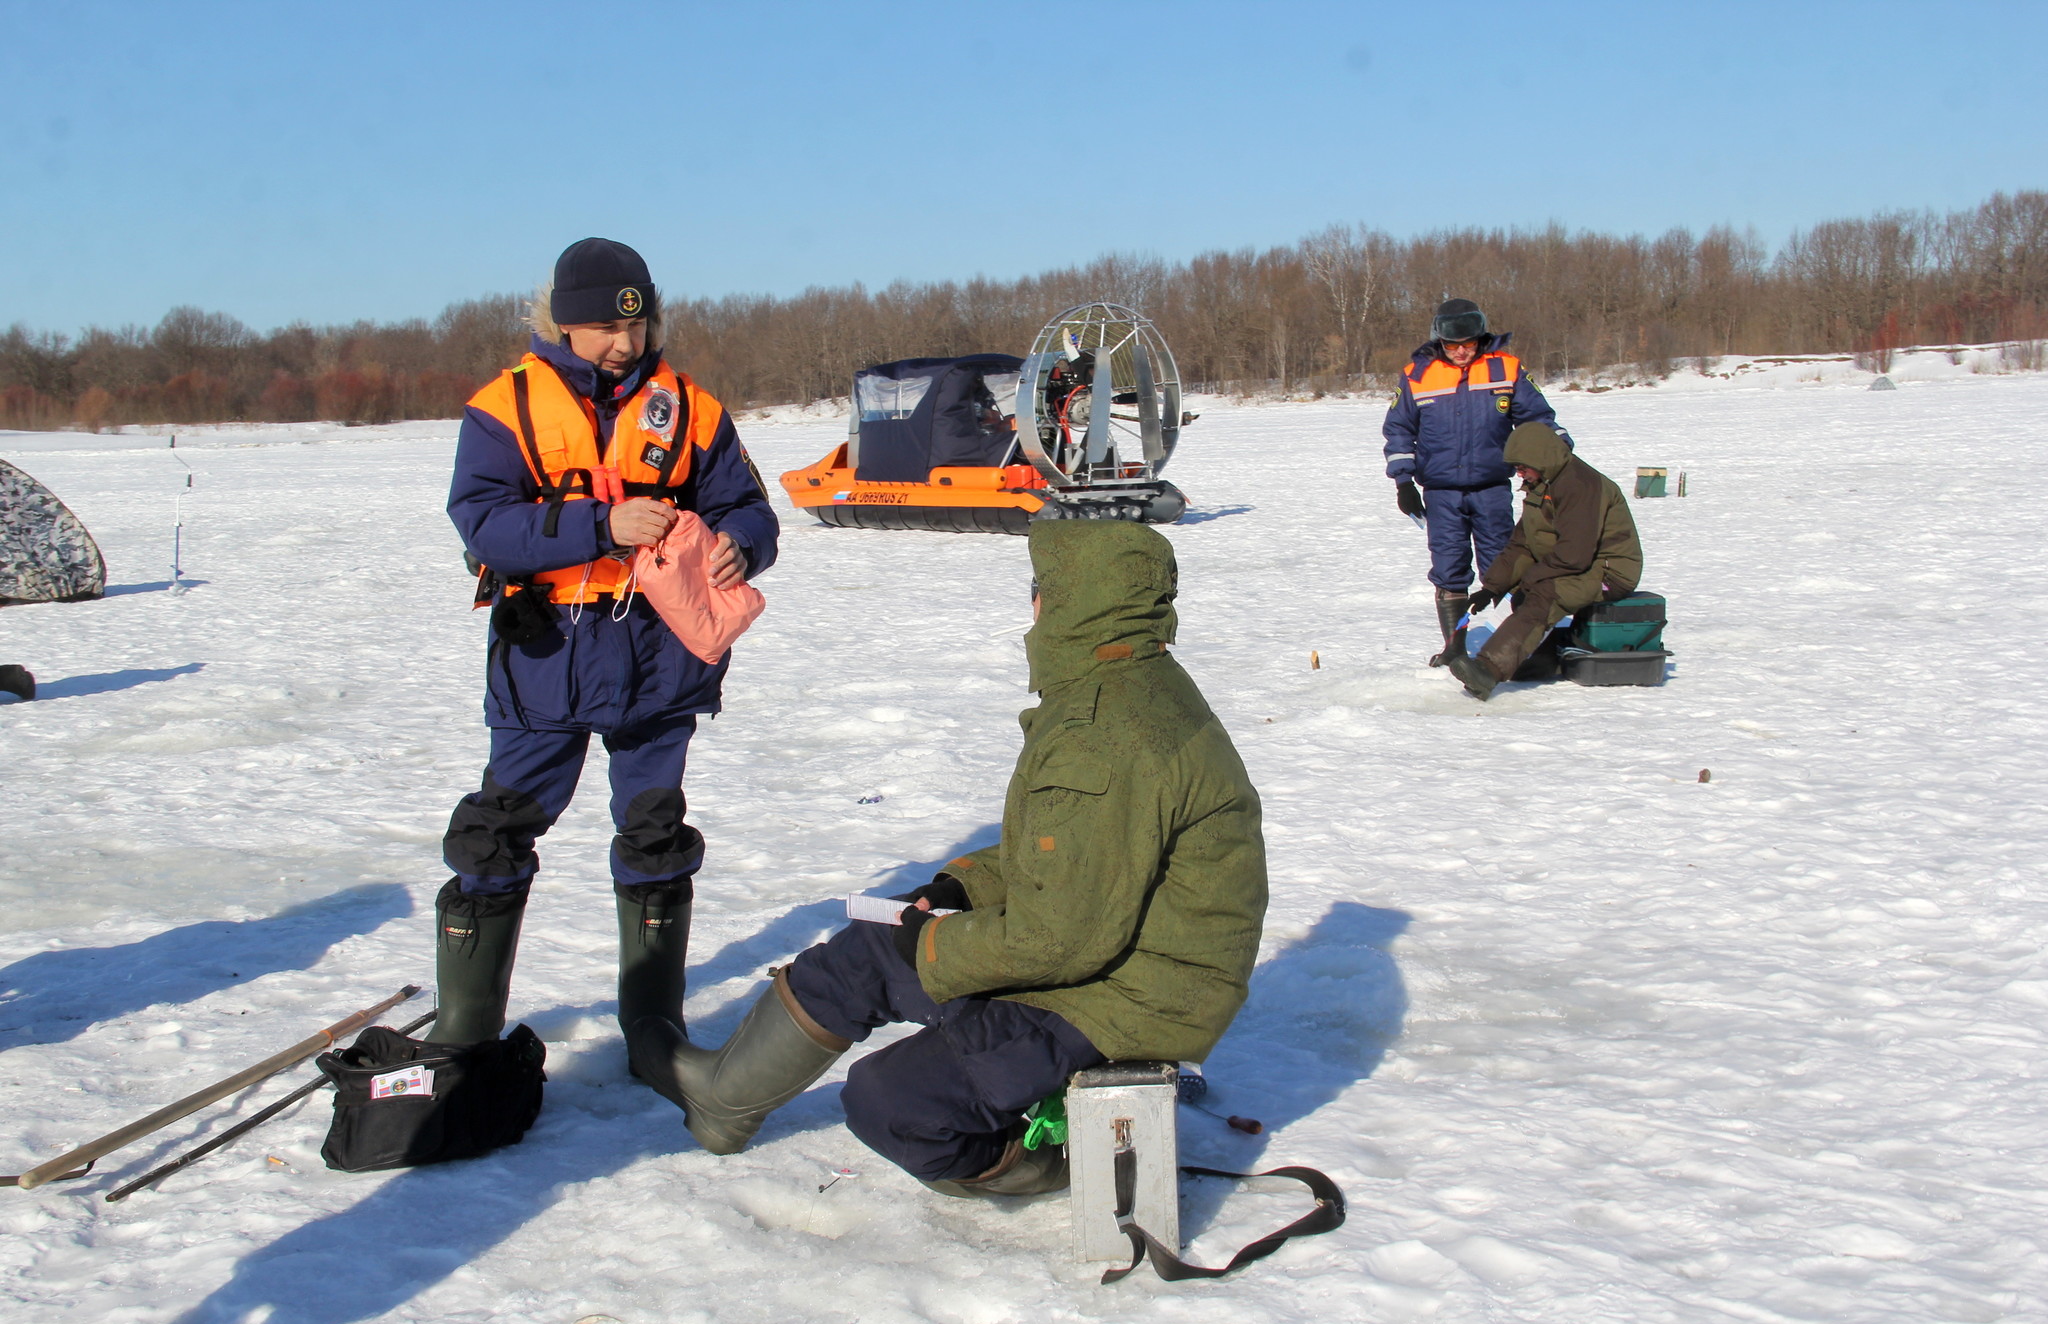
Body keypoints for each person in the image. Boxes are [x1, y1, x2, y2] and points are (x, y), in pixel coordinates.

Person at [629, 520, 1268, 1196]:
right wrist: (955, 888)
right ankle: (724, 1098)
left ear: (1073, 601)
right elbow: (1074, 853)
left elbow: (1058, 938)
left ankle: (1083, 1159)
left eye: (1040, 590)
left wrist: (935, 949)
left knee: (891, 1102)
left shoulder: (1105, 729)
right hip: (1118, 960)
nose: (1033, 607)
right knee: (875, 942)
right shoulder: (1130, 683)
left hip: (1128, 999)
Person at [432, 238, 779, 1049]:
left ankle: (653, 1025)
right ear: (562, 322)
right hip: (544, 654)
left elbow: (748, 505)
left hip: (659, 656)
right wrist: (599, 524)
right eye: (603, 328)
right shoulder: (503, 407)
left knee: (656, 831)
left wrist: (743, 543)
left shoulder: (689, 407)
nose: (625, 344)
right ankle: (466, 1031)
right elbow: (481, 522)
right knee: (497, 830)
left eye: (638, 324)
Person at [1383, 298, 1571, 667]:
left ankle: (1523, 647)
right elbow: (1399, 430)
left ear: (1481, 337)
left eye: (1469, 343)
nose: (1461, 352)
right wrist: (1403, 483)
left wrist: (1557, 454)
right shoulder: (1416, 375)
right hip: (1441, 492)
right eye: (1453, 345)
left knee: (1505, 567)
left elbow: (1537, 420)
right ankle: (1455, 647)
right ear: (1439, 341)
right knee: (1449, 568)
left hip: (1491, 489)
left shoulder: (1506, 368)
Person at [1447, 423, 1642, 702]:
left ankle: (1487, 671)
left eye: (1522, 467)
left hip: (1610, 571)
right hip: (1580, 564)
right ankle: (1536, 663)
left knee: (1545, 595)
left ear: (1541, 458)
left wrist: (1531, 581)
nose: (1519, 474)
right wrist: (1492, 587)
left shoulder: (1579, 485)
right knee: (1526, 596)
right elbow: (1523, 544)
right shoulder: (1543, 485)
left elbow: (1575, 554)